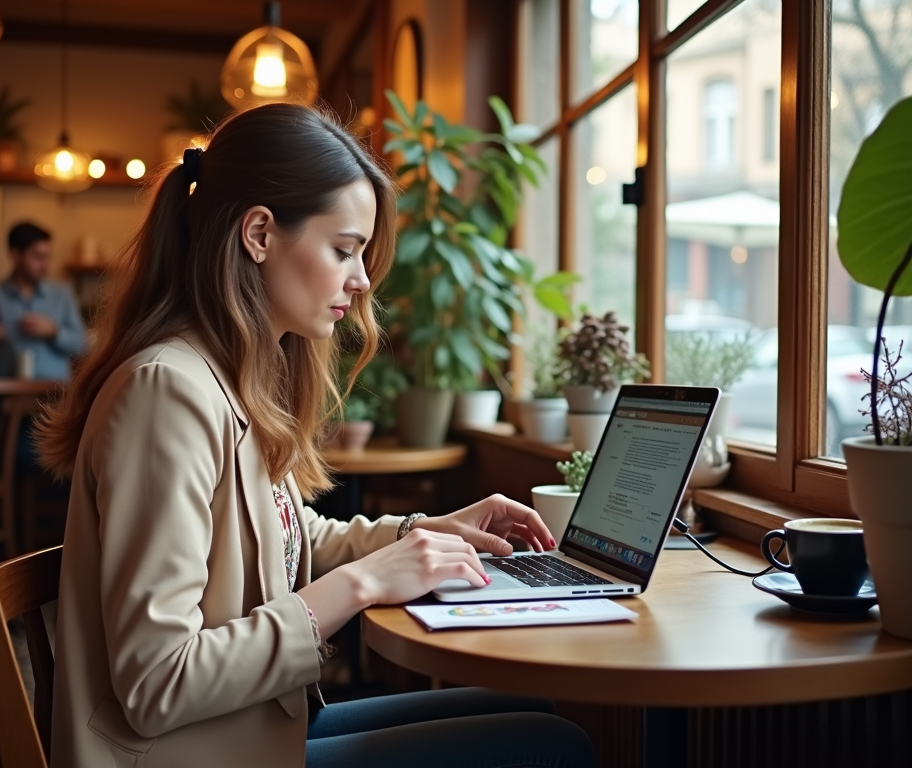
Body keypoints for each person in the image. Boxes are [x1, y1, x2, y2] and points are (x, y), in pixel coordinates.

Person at [35, 104, 597, 768]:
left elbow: (282, 534)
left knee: (533, 715)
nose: (361, 282)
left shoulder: (221, 376)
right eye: (344, 249)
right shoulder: (167, 392)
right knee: (548, 744)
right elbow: (158, 683)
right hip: (185, 751)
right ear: (260, 233)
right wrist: (363, 584)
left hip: (240, 731)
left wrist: (424, 533)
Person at [0, 222, 87, 380]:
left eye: (48, 257)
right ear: (15, 255)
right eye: (38, 257)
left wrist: (54, 332)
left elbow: (83, 346)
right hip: (6, 391)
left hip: (55, 392)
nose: (46, 265)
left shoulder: (63, 294)